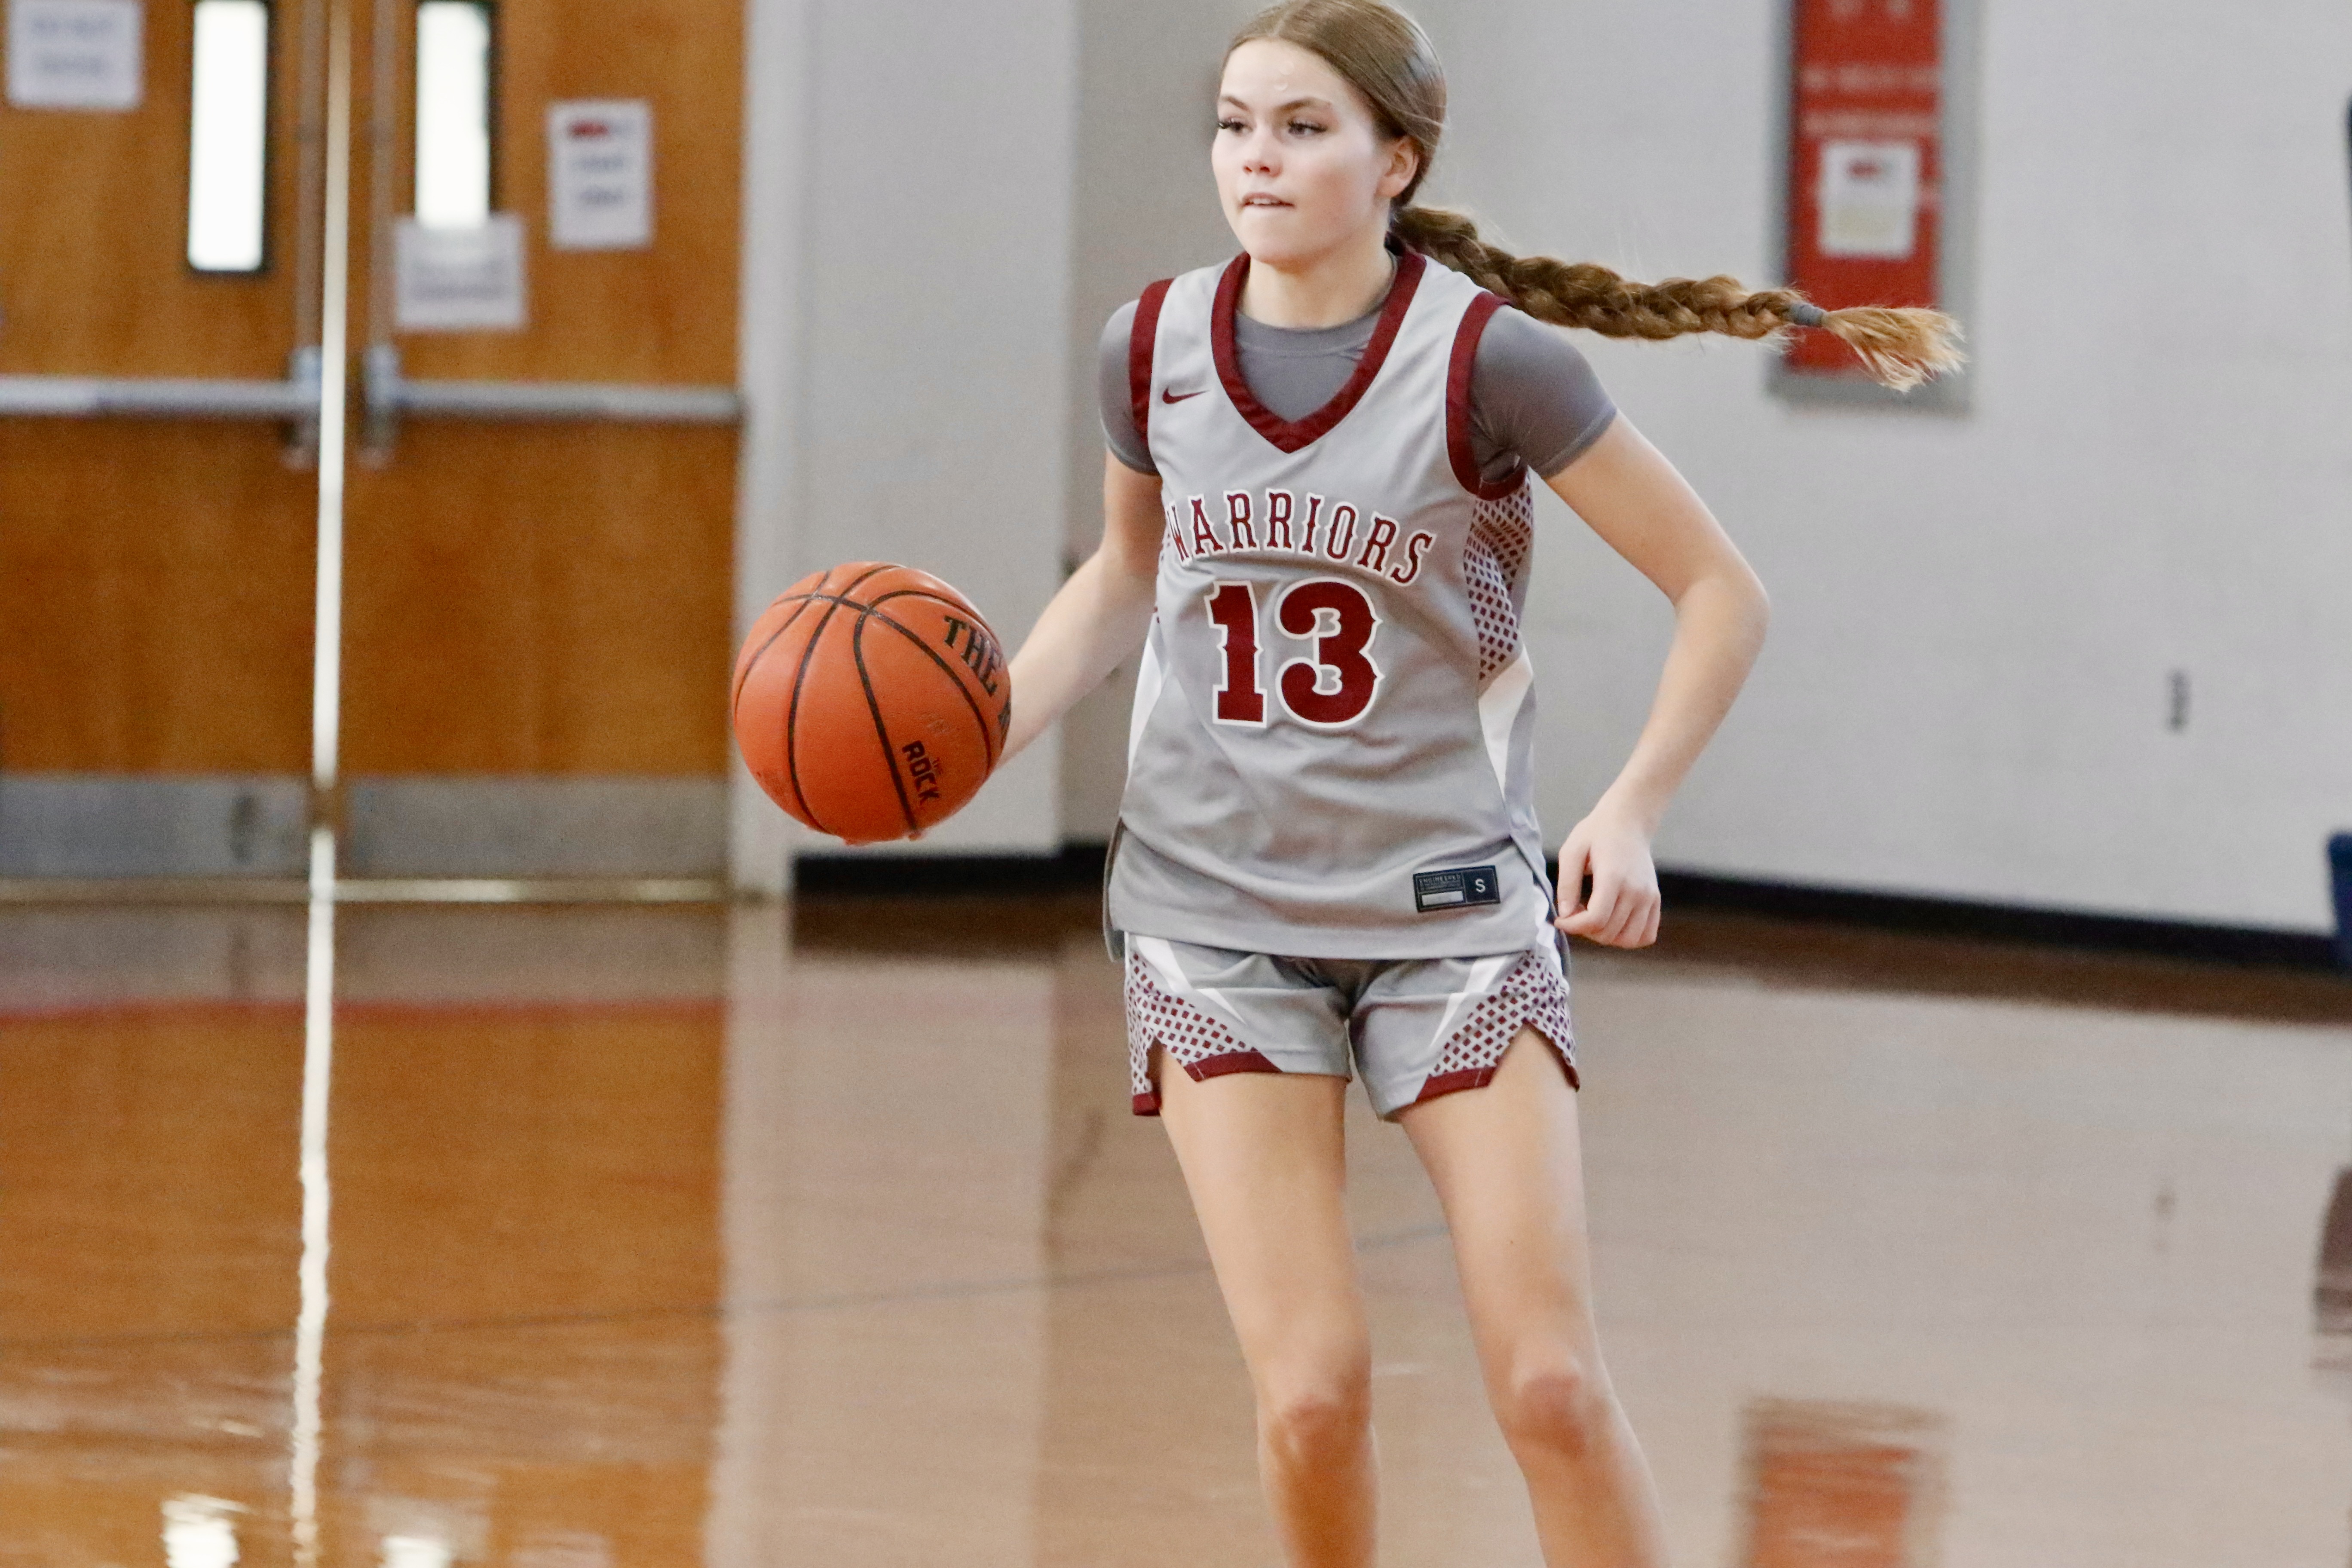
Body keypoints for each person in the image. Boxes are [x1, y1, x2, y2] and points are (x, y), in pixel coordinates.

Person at [999, 3, 1958, 1563]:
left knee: (1553, 1384)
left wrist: (1631, 806)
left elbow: (1724, 591)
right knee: (1309, 1396)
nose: (1257, 157)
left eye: (1303, 128)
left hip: (1449, 912)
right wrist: (985, 725)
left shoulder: (1488, 358)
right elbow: (1123, 577)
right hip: (1210, 912)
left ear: (1398, 160)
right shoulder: (1151, 344)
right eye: (1237, 123)